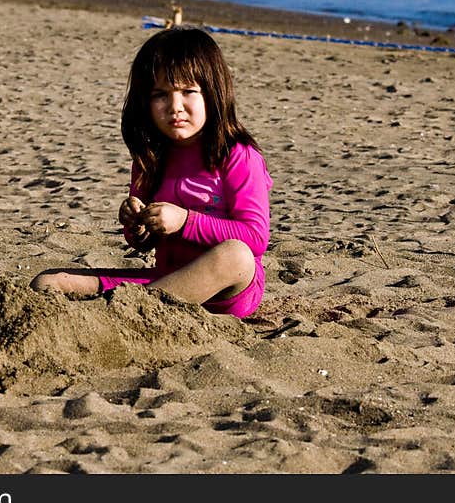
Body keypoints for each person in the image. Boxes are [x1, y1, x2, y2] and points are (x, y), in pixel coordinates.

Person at [30, 26, 273, 319]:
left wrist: (184, 221)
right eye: (161, 95)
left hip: (227, 291)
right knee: (48, 281)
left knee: (237, 255)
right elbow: (142, 243)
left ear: (213, 93)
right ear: (145, 102)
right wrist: (137, 225)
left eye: (188, 92)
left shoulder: (237, 155)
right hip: (167, 281)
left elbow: (255, 237)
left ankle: (131, 312)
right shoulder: (151, 156)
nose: (175, 107)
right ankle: (137, 308)